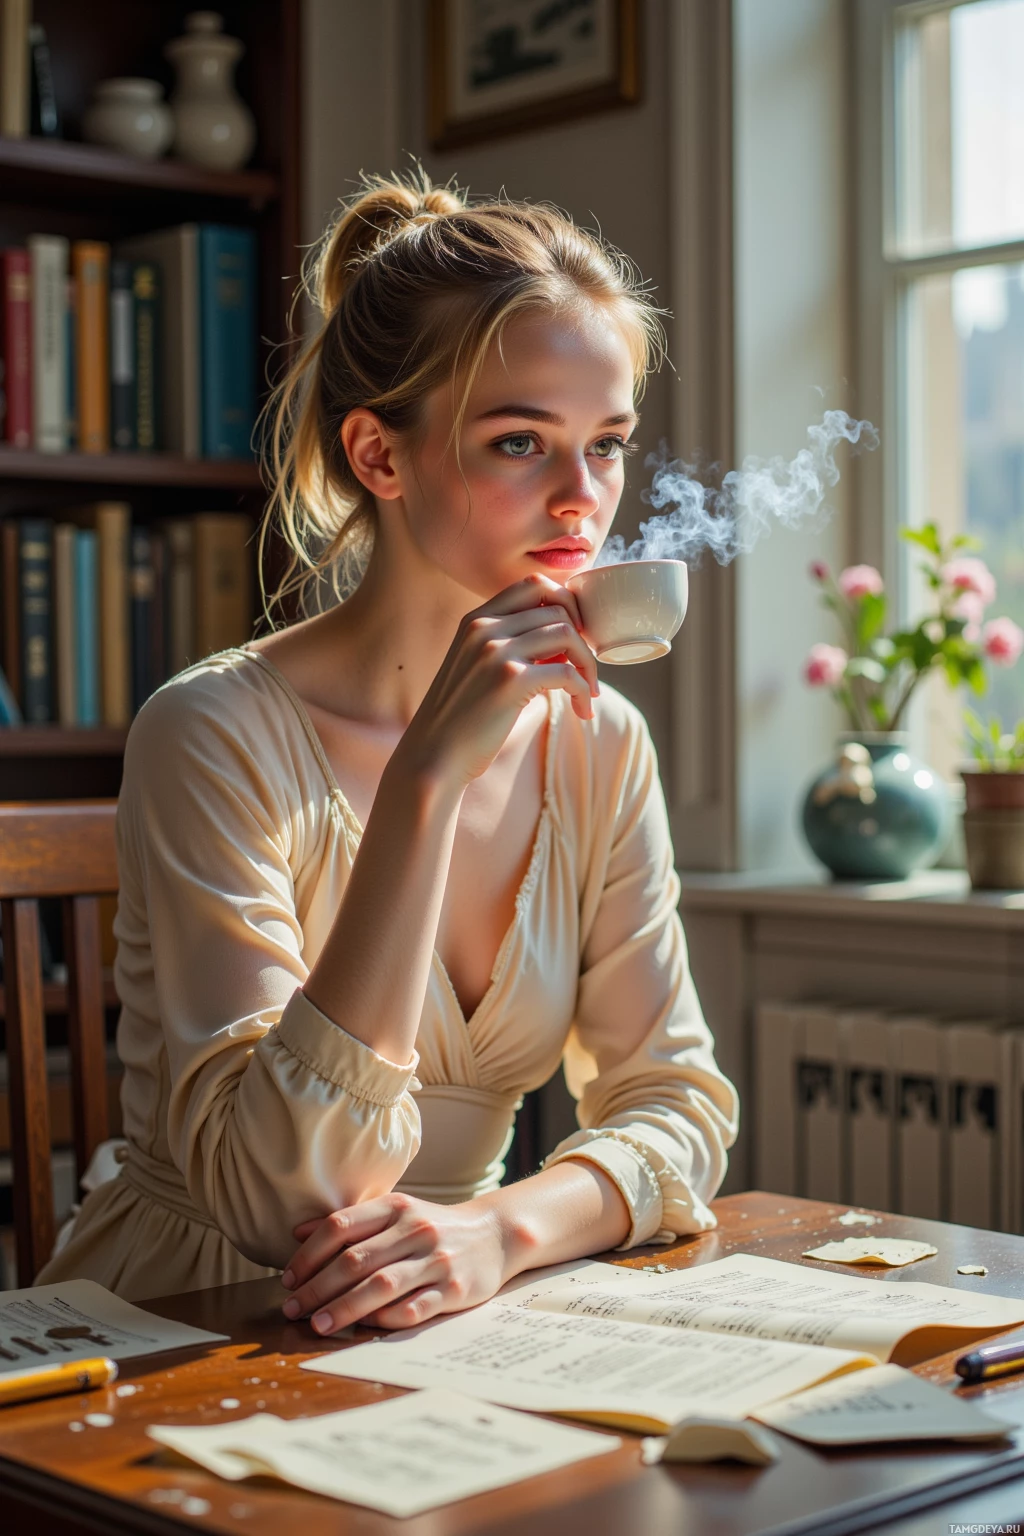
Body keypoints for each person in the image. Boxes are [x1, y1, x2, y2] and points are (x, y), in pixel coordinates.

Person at [38, 173, 739, 1332]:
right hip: (188, 1327)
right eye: (522, 442)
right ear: (378, 454)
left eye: (607, 446)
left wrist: (500, 1230)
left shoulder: (603, 743)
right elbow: (281, 1196)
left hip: (452, 1314)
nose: (582, 500)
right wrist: (426, 779)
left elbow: (678, 1105)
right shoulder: (209, 731)